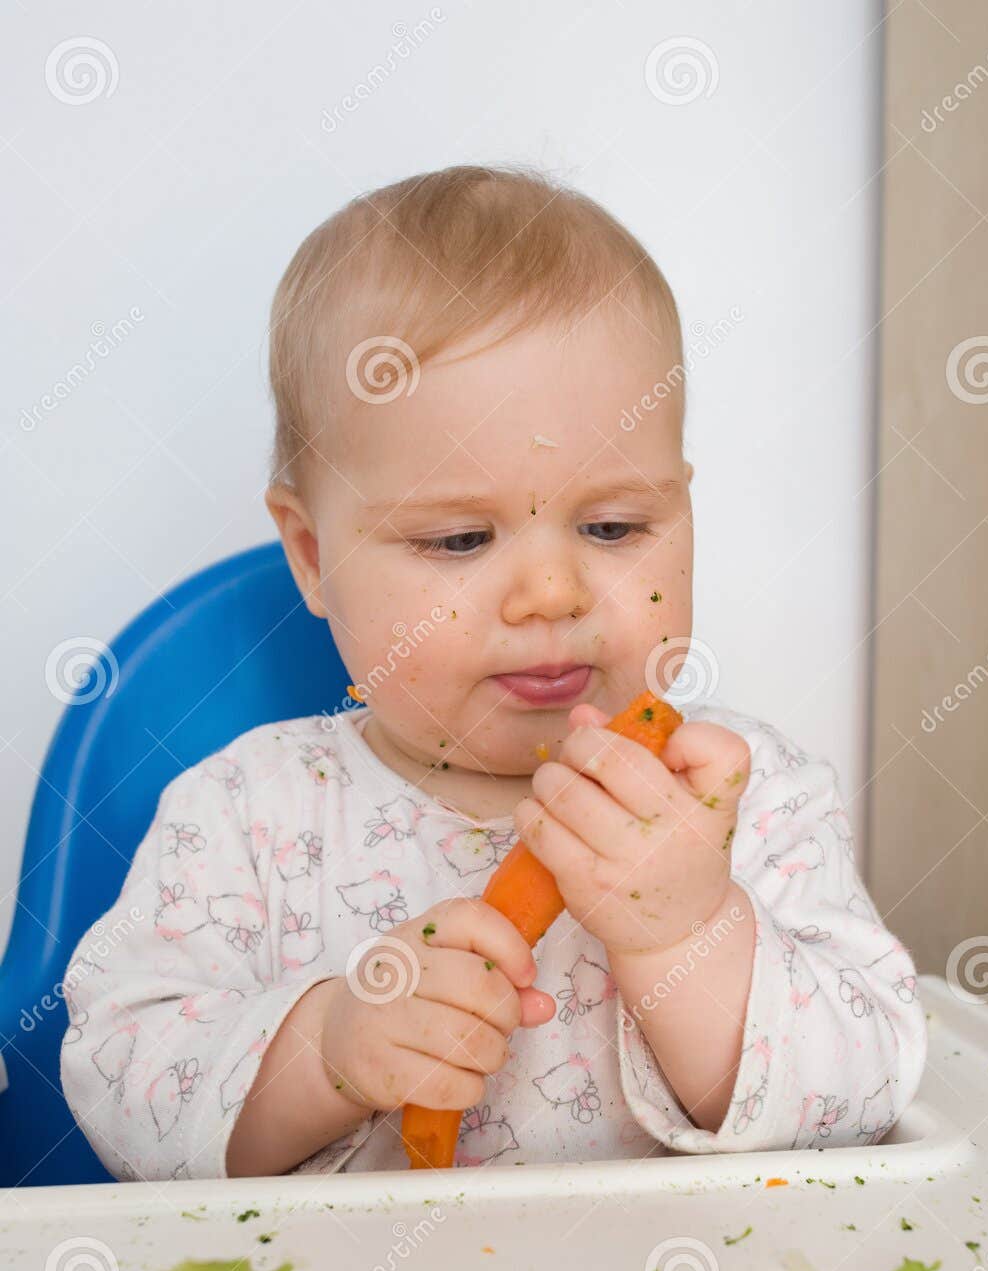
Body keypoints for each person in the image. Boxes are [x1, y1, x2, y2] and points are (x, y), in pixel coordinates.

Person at [60, 164, 925, 1179]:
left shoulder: (742, 796)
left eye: (614, 527)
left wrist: (688, 932)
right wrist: (326, 1049)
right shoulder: (247, 818)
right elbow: (117, 1081)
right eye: (461, 540)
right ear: (311, 555)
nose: (551, 593)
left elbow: (865, 1098)